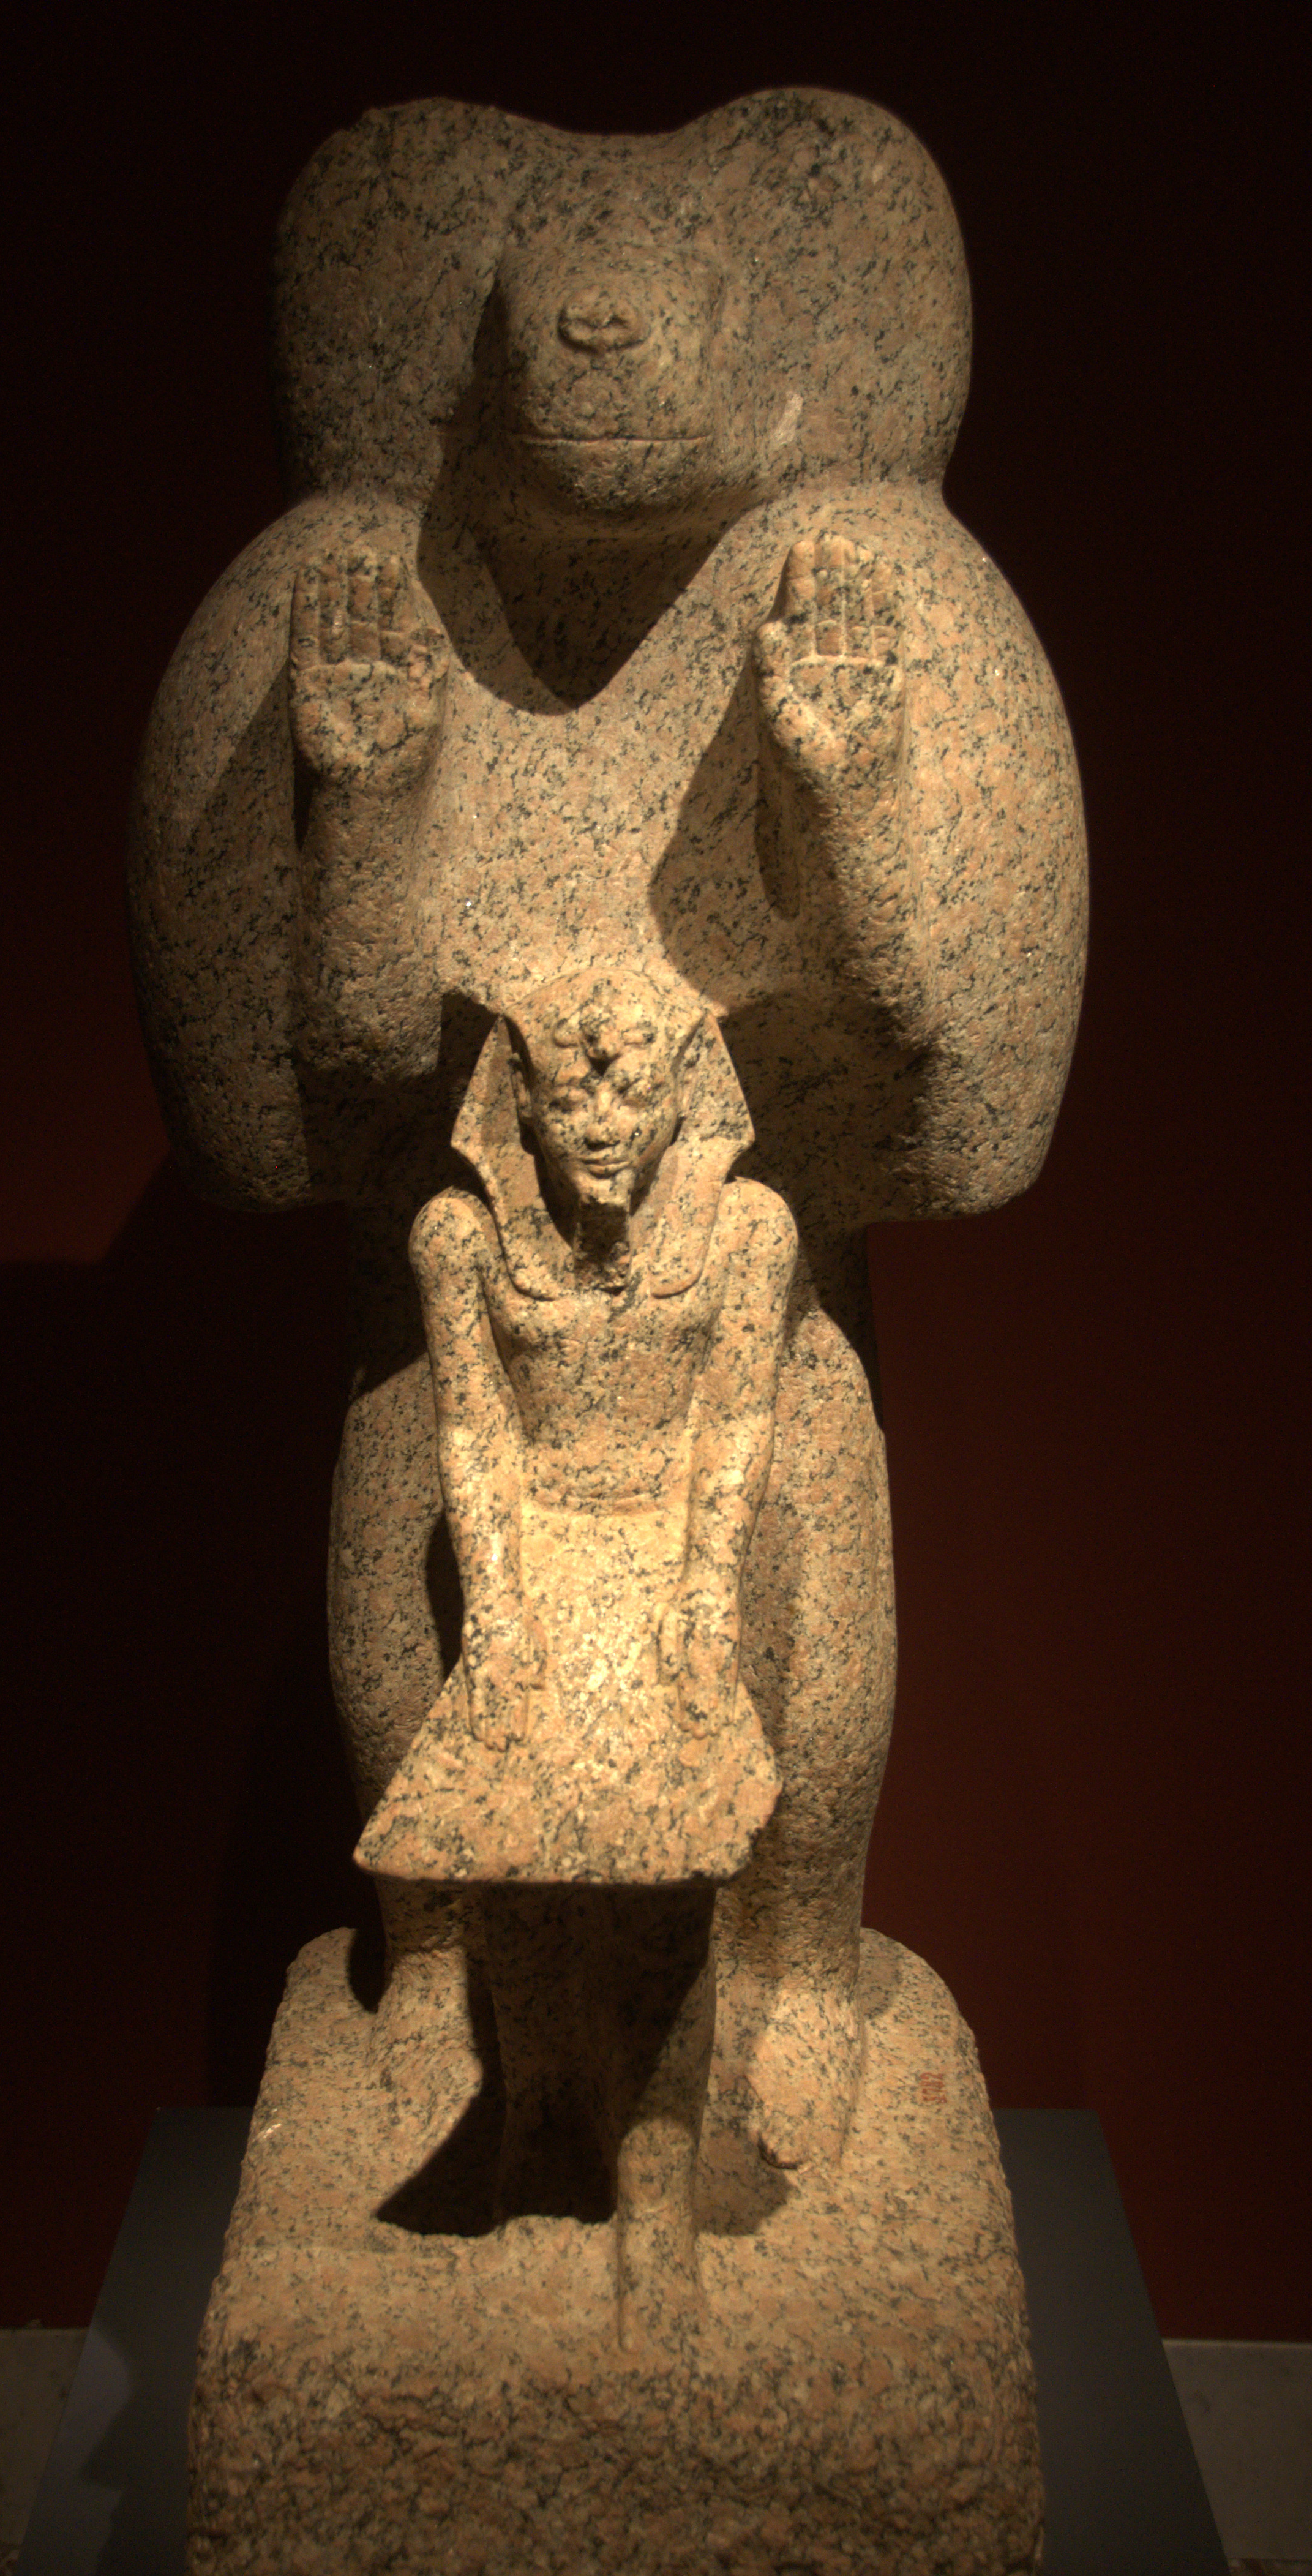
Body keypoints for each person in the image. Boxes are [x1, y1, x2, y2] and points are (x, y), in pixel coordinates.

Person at [360, 965, 797, 2344]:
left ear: (685, 1093)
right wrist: (497, 1613)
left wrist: (703, 1598)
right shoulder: (460, 1238)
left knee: (667, 1892)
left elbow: (734, 1424)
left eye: (631, 1093)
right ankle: (542, 2122)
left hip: (670, 1562)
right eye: (567, 1099)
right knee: (514, 1876)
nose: (601, 1126)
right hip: (535, 1563)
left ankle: (656, 2179)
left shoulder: (747, 1230)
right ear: (519, 1106)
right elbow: (475, 1433)